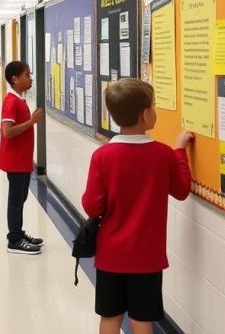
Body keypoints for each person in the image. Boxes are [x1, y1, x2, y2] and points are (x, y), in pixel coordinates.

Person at [82, 78, 193, 334]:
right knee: (142, 319)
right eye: (154, 106)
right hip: (147, 258)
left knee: (110, 317)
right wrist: (180, 151)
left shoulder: (102, 156)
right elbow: (181, 190)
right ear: (145, 114)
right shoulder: (163, 154)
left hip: (110, 256)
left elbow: (92, 206)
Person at [0, 60, 45, 254]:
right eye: (27, 75)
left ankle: (18, 232)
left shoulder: (19, 99)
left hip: (22, 160)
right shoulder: (11, 101)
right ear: (15, 79)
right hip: (15, 160)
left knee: (22, 197)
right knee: (16, 199)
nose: (30, 78)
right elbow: (7, 132)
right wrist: (31, 122)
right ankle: (14, 240)